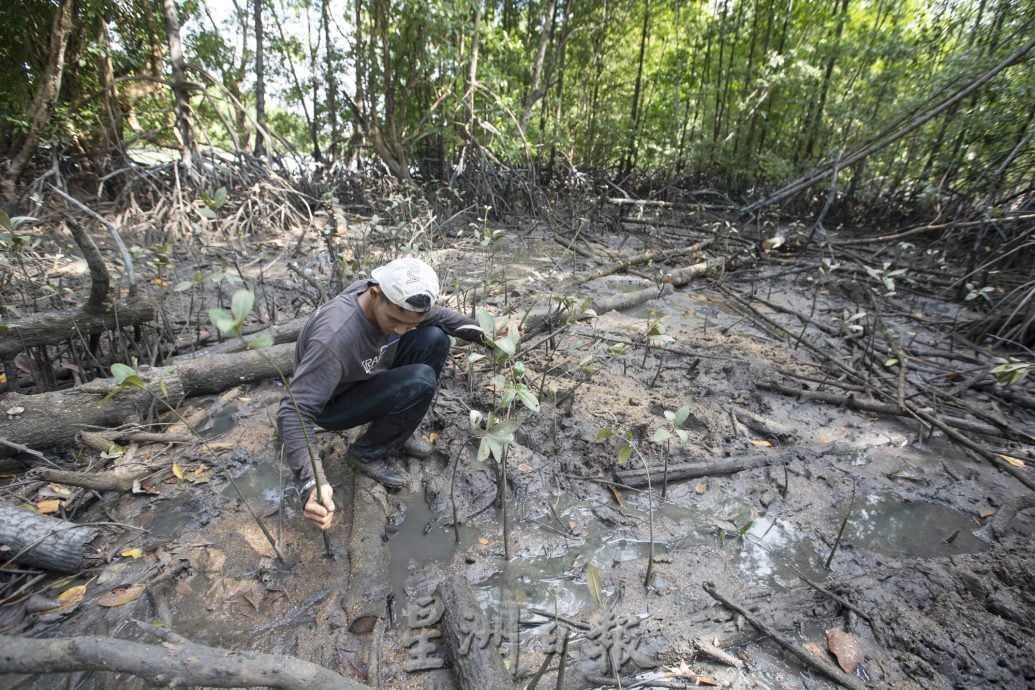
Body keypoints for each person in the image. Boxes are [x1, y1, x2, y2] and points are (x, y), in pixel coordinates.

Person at [276, 257, 482, 531]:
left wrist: (488, 336)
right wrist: (312, 484)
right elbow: (294, 411)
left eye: (408, 324)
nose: (400, 330)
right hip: (335, 402)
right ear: (375, 294)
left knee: (435, 337)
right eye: (395, 321)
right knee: (420, 380)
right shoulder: (334, 338)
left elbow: (441, 317)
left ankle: (396, 429)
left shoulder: (396, 302)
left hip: (366, 371)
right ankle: (366, 453)